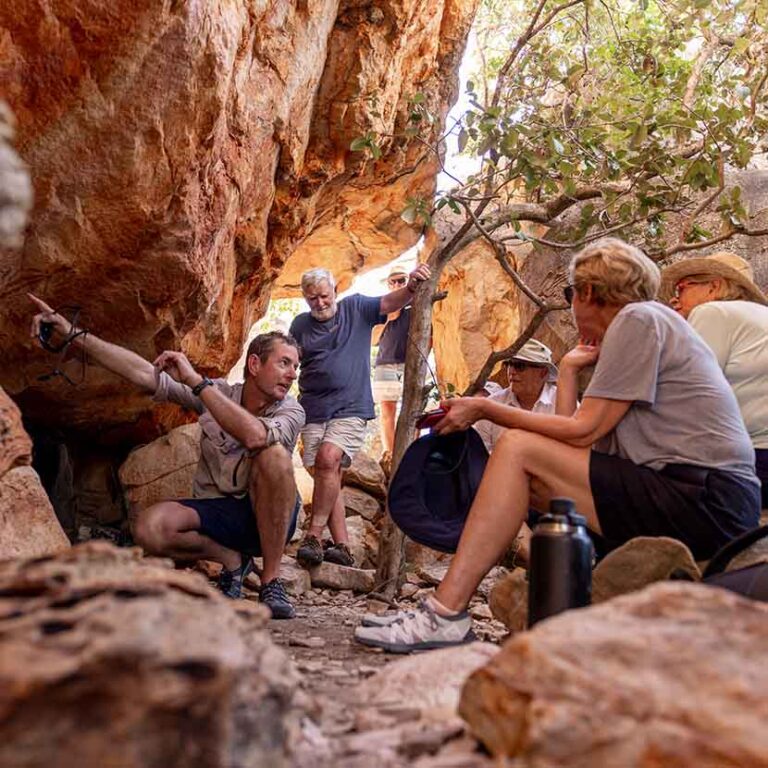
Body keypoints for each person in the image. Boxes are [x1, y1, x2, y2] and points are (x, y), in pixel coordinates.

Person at [354, 237, 761, 653]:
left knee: (516, 449)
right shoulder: (643, 327)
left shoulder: (640, 320)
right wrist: (566, 371)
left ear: (586, 292)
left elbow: (579, 433)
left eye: (570, 295)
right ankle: (491, 610)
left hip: (708, 498)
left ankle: (444, 613)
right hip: (696, 496)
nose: (571, 308)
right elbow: (573, 442)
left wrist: (483, 408)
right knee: (528, 465)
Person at [29, 294, 305, 618]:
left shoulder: (291, 409)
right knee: (150, 528)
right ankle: (232, 560)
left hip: (269, 516)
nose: (292, 374)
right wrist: (74, 336)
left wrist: (196, 383)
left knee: (273, 456)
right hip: (219, 510)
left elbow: (255, 435)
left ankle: (271, 579)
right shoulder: (217, 393)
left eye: (296, 366)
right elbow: (145, 375)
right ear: (255, 364)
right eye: (284, 363)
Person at [290, 263, 431, 568]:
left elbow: (389, 302)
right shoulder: (300, 326)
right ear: (305, 299)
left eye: (324, 296)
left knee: (329, 460)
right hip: (313, 409)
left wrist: (410, 286)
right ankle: (343, 547)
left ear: (335, 292)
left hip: (350, 407)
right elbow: (289, 362)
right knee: (328, 475)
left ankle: (313, 535)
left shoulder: (355, 308)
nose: (320, 303)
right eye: (312, 298)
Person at [661, 251, 768, 506]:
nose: (676, 299)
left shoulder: (713, 312)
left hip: (751, 463)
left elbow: (683, 393)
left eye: (682, 288)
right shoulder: (754, 317)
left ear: (714, 287)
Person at [473, 339, 559, 453]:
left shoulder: (561, 404)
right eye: (509, 364)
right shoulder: (493, 404)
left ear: (542, 373)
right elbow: (477, 456)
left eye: (519, 366)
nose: (511, 371)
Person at [372, 265, 412, 456]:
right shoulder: (382, 306)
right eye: (393, 281)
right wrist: (389, 317)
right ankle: (391, 454)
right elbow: (372, 340)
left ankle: (410, 454)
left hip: (410, 365)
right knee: (388, 411)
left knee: (413, 410)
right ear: (388, 284)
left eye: (401, 280)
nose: (397, 285)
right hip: (385, 361)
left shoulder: (417, 303)